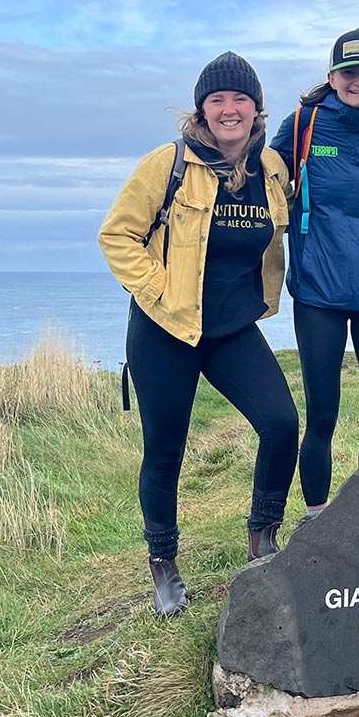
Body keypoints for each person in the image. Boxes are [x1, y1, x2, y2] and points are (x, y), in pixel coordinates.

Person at [99, 52, 298, 616]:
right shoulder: (168, 164)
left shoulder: (272, 169)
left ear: (257, 109)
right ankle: (163, 565)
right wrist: (158, 290)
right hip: (165, 327)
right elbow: (117, 236)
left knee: (281, 424)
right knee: (165, 449)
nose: (229, 109)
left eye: (240, 99)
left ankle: (263, 539)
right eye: (217, 100)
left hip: (231, 327)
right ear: (201, 110)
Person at [270, 29, 359, 519]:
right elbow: (263, 184)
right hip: (318, 292)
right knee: (323, 417)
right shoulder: (303, 125)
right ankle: (317, 520)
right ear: (332, 78)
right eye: (349, 73)